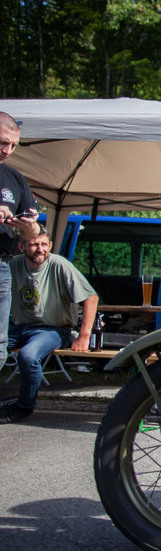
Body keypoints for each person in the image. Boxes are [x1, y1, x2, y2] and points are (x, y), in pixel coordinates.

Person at [0, 227, 98, 423]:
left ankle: (24, 406)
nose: (40, 249)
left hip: (53, 328)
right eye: (34, 244)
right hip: (18, 326)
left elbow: (91, 297)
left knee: (28, 356)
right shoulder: (12, 264)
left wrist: (84, 335)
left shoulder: (59, 264)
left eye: (44, 244)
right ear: (21, 246)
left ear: (50, 246)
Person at [0, 112, 41, 393]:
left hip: (2, 266)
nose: (7, 150)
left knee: (0, 345)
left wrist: (27, 225)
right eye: (2, 143)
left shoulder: (15, 178)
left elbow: (34, 235)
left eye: (13, 145)